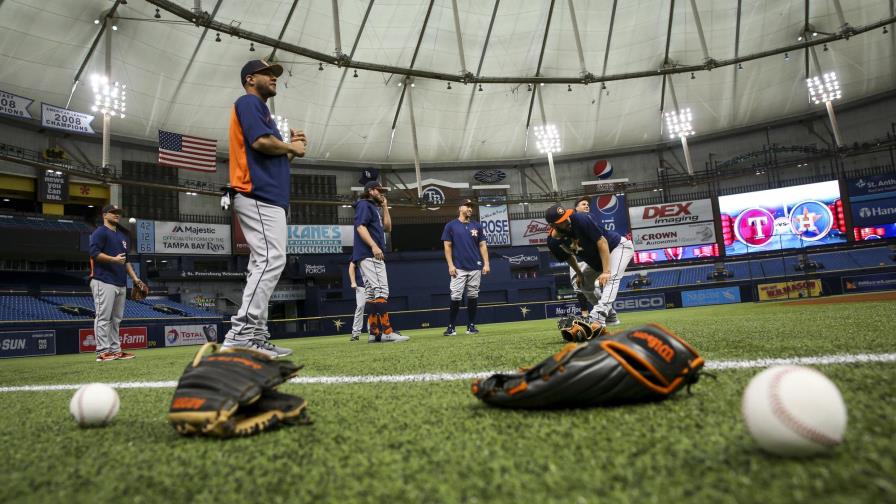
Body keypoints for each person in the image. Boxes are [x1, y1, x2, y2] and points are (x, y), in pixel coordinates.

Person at [222, 59, 307, 358]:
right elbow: (259, 143)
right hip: (256, 193)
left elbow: (275, 158)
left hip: (267, 195)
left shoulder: (264, 112)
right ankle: (240, 336)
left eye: (274, 75)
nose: (273, 78)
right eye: (267, 74)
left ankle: (255, 336)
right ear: (249, 79)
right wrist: (290, 147)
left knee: (266, 262)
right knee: (270, 260)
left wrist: (292, 149)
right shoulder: (248, 102)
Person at [545, 202, 633, 327]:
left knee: (611, 278)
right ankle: (610, 316)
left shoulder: (581, 219)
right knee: (583, 284)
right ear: (553, 225)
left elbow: (602, 242)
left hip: (617, 248)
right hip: (596, 261)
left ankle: (598, 316)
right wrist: (579, 274)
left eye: (566, 217)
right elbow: (569, 257)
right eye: (562, 221)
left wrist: (606, 271)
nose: (567, 221)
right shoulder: (553, 242)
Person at [352, 180, 408, 343]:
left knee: (371, 294)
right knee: (381, 291)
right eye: (379, 190)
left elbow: (388, 228)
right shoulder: (364, 204)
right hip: (370, 255)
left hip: (366, 255)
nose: (382, 193)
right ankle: (388, 332)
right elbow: (360, 227)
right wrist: (374, 246)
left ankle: (374, 333)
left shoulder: (374, 207)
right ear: (370, 191)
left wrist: (384, 207)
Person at [88, 204, 143, 362]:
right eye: (113, 212)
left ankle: (115, 350)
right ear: (104, 215)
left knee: (116, 319)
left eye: (118, 212)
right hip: (103, 279)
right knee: (103, 317)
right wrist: (113, 259)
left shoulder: (122, 236)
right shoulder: (100, 232)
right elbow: (93, 253)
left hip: (120, 282)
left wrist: (135, 278)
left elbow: (125, 261)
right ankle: (102, 352)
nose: (117, 215)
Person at [440, 199, 490, 336]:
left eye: (471, 207)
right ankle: (451, 327)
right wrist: (450, 265)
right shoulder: (451, 226)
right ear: (460, 208)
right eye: (467, 206)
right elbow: (447, 246)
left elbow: (482, 245)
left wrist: (486, 263)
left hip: (475, 266)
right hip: (459, 267)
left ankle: (471, 326)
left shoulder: (477, 225)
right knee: (456, 296)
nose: (470, 209)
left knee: (473, 295)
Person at [347, 261, 366, 342]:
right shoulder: (358, 251)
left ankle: (374, 332)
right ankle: (355, 334)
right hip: (361, 286)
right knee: (360, 307)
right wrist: (353, 282)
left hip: (373, 285)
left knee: (375, 308)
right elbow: (351, 266)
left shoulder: (374, 253)